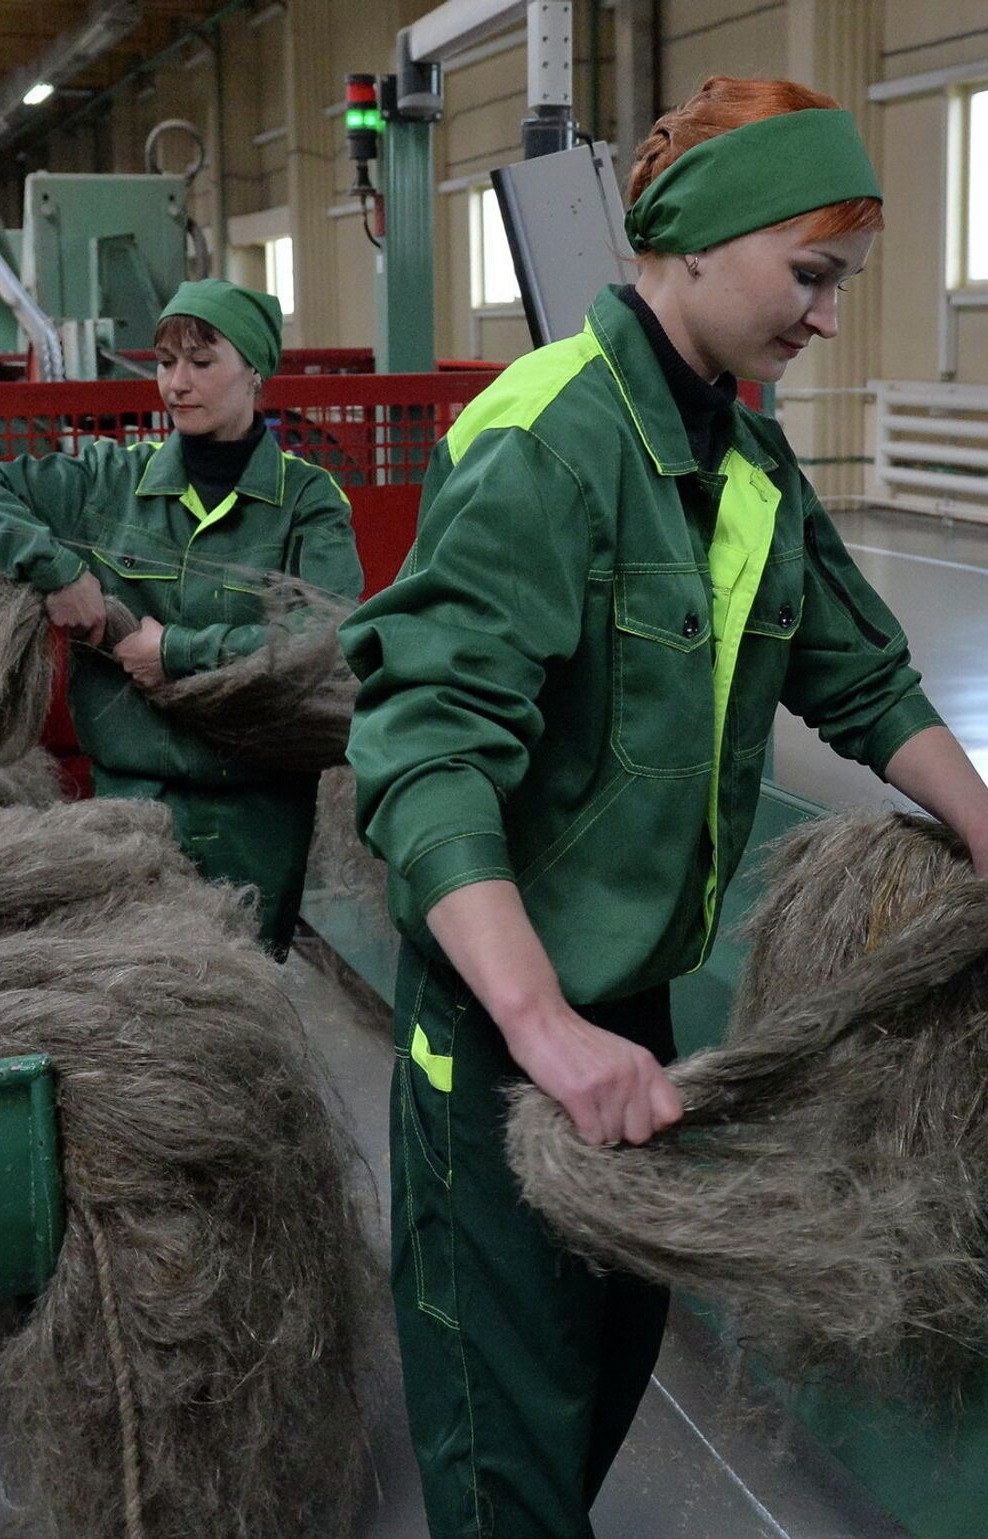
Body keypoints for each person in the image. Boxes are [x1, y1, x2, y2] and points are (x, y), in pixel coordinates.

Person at [340, 76, 988, 1539]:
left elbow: (863, 672)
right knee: (506, 1436)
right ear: (694, 238)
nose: (826, 318)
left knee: (597, 1374)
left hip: (626, 1020)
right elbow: (427, 748)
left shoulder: (742, 453)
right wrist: (541, 1024)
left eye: (844, 284)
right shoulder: (547, 438)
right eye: (809, 275)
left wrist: (986, 825)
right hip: (502, 1031)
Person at [0, 278, 362, 957]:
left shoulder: (306, 500)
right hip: (126, 805)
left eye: (201, 361)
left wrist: (178, 650)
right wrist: (59, 570)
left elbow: (324, 639)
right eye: (165, 363)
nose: (176, 384)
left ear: (255, 371)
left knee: (237, 1001)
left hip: (254, 812)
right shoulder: (107, 481)